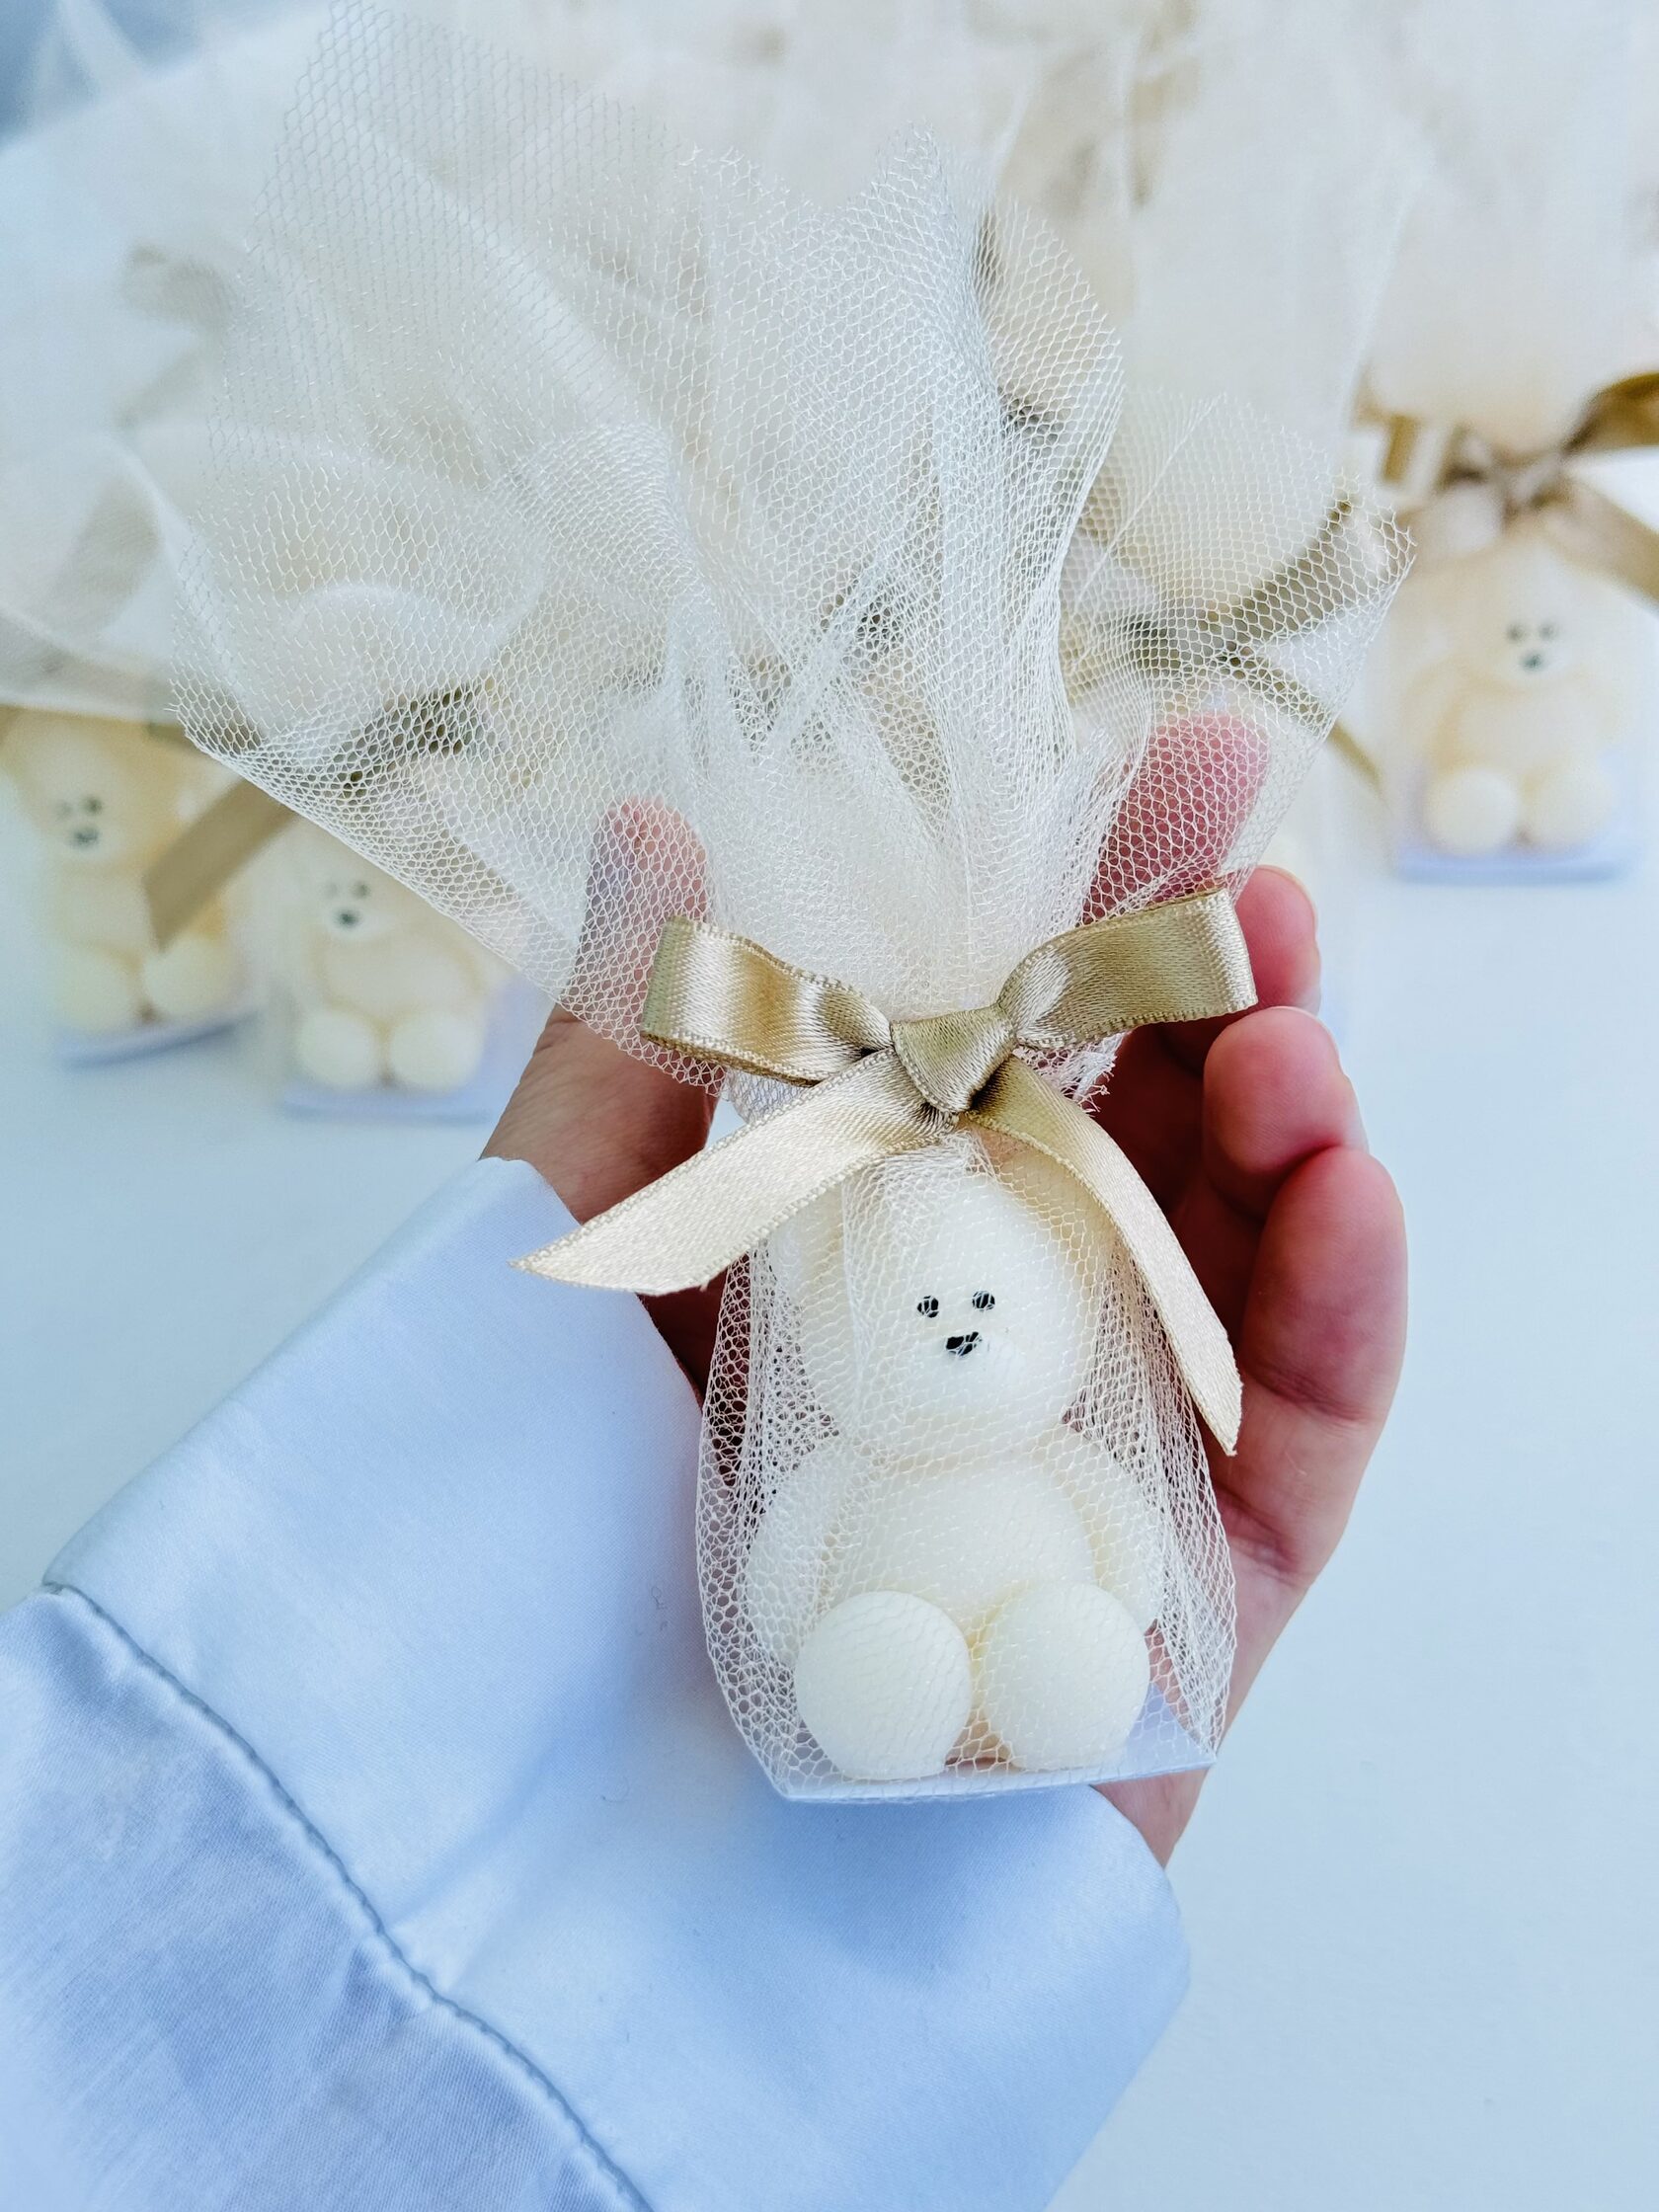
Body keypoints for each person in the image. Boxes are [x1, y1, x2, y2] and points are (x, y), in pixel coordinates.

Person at [0, 867, 1404, 2210]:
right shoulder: (841, 1453)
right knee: (874, 1658)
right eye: (926, 1309)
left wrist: (1134, 1563)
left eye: (987, 1302)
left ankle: (1054, 1668)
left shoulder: (1065, 1431)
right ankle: (903, 1680)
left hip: (1034, 1625)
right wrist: (781, 1614)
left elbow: (1122, 1529)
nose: (962, 1328)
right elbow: (792, 1559)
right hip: (872, 1636)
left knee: (1070, 1641)